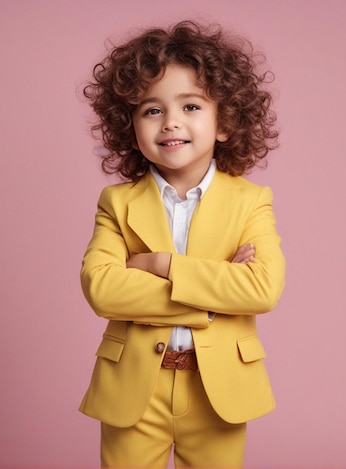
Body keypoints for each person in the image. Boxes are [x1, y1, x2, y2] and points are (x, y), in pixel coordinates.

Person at [79, 20, 286, 468]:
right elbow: (102, 289)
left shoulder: (250, 202)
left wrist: (158, 263)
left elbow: (262, 289)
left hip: (219, 393)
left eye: (191, 106)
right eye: (151, 110)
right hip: (133, 390)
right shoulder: (116, 202)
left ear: (225, 121)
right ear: (129, 125)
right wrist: (213, 299)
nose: (171, 120)